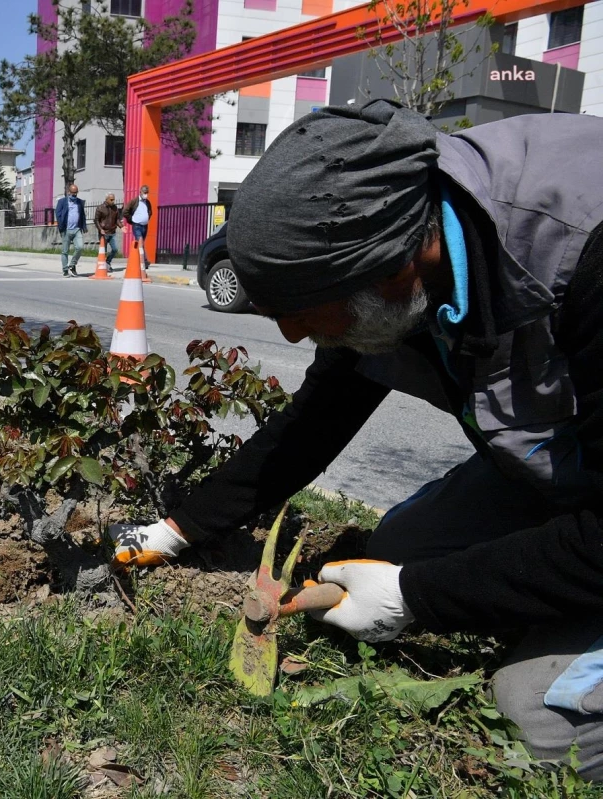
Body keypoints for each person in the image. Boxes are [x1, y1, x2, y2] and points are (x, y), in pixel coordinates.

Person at [108, 100, 603, 779]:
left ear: (391, 270)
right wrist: (178, 528)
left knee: (539, 716)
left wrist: (420, 598)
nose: (290, 335)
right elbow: (316, 420)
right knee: (396, 549)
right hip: (573, 467)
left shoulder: (581, 244)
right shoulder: (392, 237)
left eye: (302, 314)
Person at [55, 184, 87, 276]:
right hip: (66, 229)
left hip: (77, 229)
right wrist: (61, 228)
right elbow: (58, 214)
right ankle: (65, 270)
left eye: (75, 193)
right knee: (65, 251)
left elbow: (82, 215)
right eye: (72, 193)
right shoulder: (62, 202)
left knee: (80, 247)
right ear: (69, 192)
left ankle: (72, 265)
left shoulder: (80, 202)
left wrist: (84, 226)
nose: (74, 195)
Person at [123, 185, 153, 271]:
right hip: (137, 225)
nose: (146, 195)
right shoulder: (134, 201)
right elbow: (125, 211)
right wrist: (131, 220)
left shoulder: (147, 202)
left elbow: (150, 212)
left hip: (145, 225)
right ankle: (144, 261)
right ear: (140, 192)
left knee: (141, 242)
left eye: (147, 193)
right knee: (140, 242)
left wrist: (146, 218)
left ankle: (138, 259)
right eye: (144, 193)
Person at [94, 193, 122, 273]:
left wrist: (121, 226)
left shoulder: (115, 208)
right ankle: (103, 266)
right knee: (104, 251)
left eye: (113, 199)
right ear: (106, 199)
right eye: (111, 199)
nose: (113, 201)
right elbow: (96, 220)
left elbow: (117, 219)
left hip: (112, 232)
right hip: (104, 232)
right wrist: (100, 229)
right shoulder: (100, 208)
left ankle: (107, 262)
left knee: (115, 249)